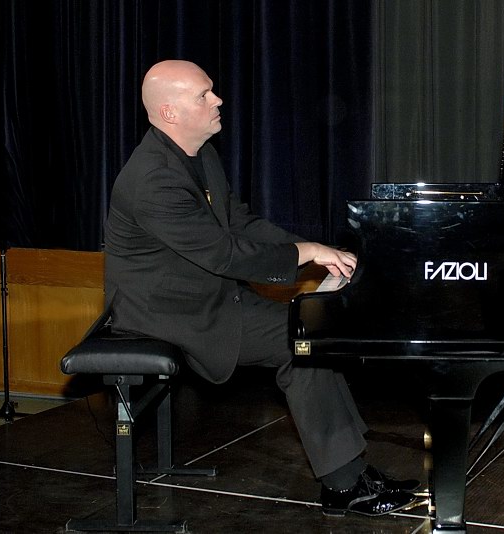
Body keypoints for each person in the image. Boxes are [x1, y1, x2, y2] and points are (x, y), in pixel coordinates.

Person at [103, 59, 418, 516]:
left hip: (203, 297)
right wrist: (303, 253)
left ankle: (353, 471)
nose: (218, 100)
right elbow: (224, 254)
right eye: (204, 95)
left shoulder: (199, 155)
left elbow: (241, 224)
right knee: (302, 345)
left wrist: (311, 249)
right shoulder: (153, 179)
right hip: (167, 314)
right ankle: (344, 487)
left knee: (314, 335)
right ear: (170, 112)